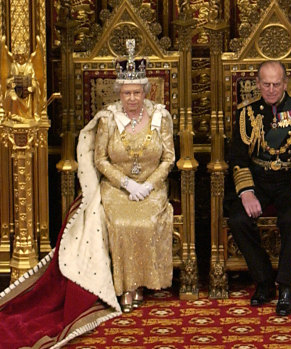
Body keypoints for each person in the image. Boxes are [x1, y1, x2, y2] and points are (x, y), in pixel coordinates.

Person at [0, 38, 175, 347]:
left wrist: (148, 185)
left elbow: (170, 158)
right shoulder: (109, 119)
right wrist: (126, 184)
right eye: (126, 93)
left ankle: (143, 284)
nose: (131, 99)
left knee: (147, 220)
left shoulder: (161, 116)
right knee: (120, 222)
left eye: (137, 93)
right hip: (118, 187)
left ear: (146, 92)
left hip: (152, 186)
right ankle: (125, 288)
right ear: (118, 93)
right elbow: (100, 159)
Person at [228, 60, 291, 316]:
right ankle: (264, 281)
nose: (271, 89)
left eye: (276, 84)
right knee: (238, 219)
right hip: (258, 180)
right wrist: (247, 192)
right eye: (266, 84)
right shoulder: (246, 114)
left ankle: (285, 288)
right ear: (257, 84)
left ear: (285, 83)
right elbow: (237, 158)